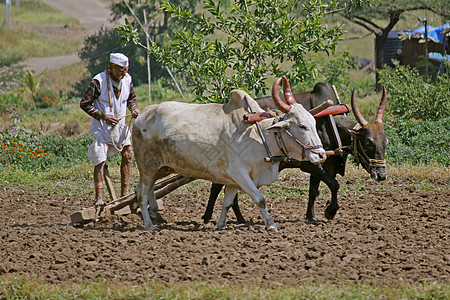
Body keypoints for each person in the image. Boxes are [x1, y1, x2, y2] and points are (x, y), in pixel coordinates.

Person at [80, 53, 140, 205]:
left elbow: (131, 99)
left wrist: (133, 109)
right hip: (102, 128)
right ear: (111, 67)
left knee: (128, 155)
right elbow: (85, 103)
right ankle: (99, 197)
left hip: (121, 127)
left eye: (125, 69)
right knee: (100, 160)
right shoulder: (98, 81)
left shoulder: (128, 80)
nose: (123, 73)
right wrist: (102, 116)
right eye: (120, 70)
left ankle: (124, 194)